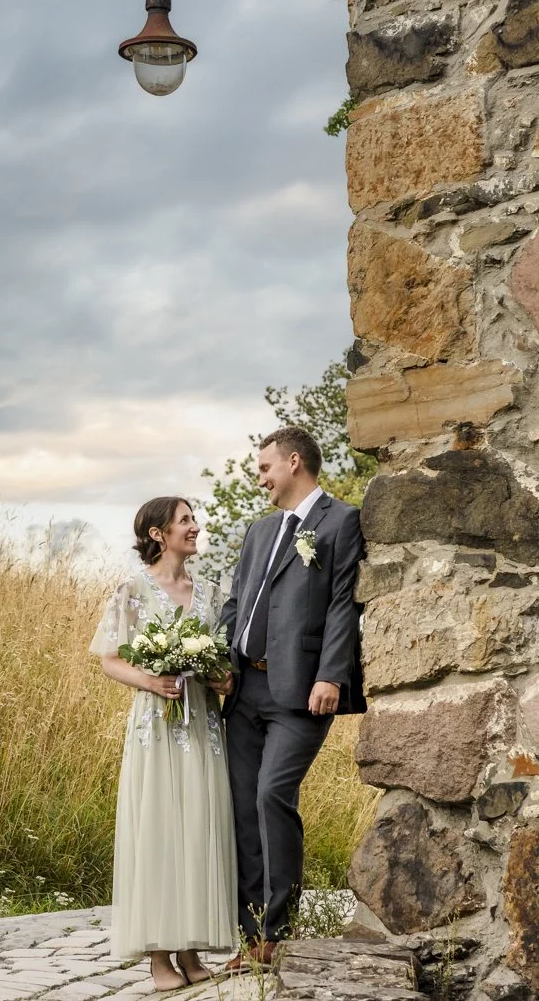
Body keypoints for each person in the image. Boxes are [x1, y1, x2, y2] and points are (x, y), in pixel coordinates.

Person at [218, 425, 365, 964]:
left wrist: (331, 675)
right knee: (241, 807)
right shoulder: (259, 532)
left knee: (271, 796)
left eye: (264, 469)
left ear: (294, 463)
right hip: (243, 688)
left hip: (303, 691)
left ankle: (276, 932)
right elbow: (237, 603)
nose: (260, 480)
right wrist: (223, 664)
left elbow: (343, 604)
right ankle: (251, 935)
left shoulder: (341, 521)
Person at [92, 496, 238, 992]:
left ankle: (191, 949)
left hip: (202, 725)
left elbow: (224, 660)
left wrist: (223, 679)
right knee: (158, 828)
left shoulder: (212, 593)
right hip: (155, 725)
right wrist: (149, 680)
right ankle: (158, 957)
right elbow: (110, 658)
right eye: (185, 521)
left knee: (198, 826)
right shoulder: (131, 591)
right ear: (158, 534)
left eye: (193, 519)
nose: (195, 527)